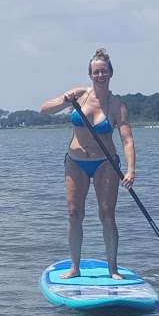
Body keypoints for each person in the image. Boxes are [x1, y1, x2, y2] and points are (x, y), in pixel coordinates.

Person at [40, 49, 136, 279]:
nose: (100, 75)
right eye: (96, 72)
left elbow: (127, 140)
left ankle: (112, 268)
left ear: (111, 74)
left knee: (107, 214)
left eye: (104, 71)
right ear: (90, 75)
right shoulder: (79, 95)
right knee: (74, 213)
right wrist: (65, 99)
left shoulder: (116, 106)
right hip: (76, 163)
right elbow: (44, 109)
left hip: (105, 163)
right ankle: (75, 267)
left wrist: (131, 170)